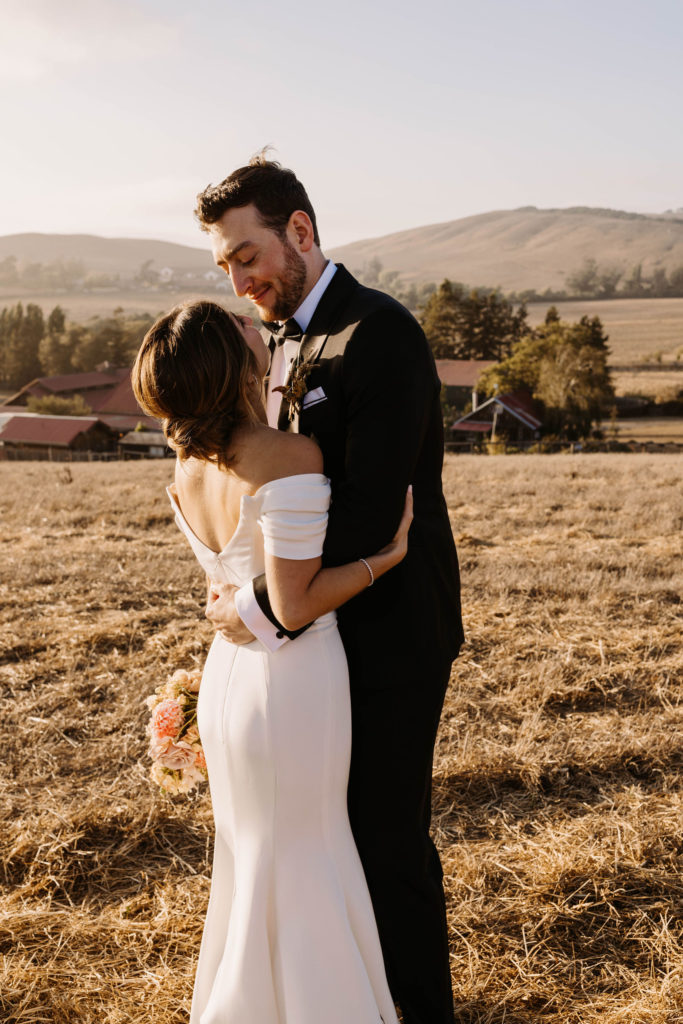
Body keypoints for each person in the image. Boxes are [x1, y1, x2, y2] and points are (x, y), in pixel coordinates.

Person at [195, 154, 464, 1024]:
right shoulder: (274, 336)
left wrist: (261, 606)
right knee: (329, 844)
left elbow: (371, 515)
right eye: (226, 267)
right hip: (311, 642)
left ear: (300, 233)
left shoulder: (377, 334)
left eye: (247, 256)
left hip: (388, 631)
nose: (240, 281)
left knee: (385, 846)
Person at [133, 301, 410, 1024]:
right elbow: (295, 603)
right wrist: (383, 560)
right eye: (246, 331)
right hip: (289, 685)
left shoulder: (189, 465)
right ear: (237, 362)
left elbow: (227, 588)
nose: (261, 334)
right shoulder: (285, 457)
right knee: (307, 850)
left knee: (253, 856)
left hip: (229, 679)